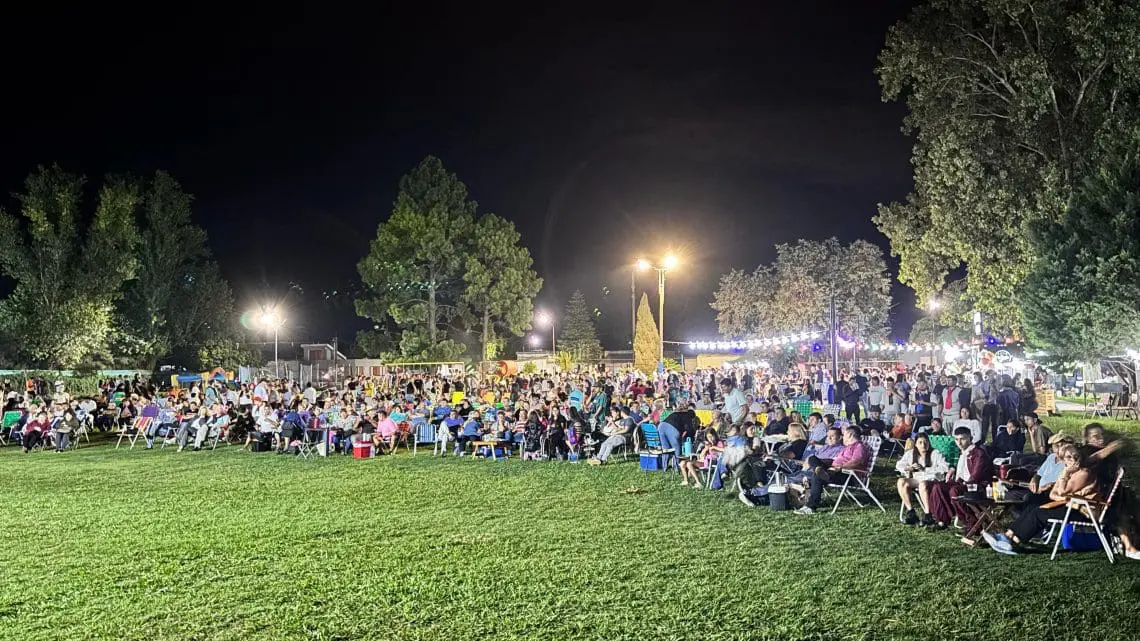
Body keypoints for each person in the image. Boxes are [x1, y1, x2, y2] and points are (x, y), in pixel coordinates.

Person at [983, 443, 1099, 555]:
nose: (1070, 460)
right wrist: (1064, 491)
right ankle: (1007, 536)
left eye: (1073, 457)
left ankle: (1014, 542)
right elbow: (1053, 494)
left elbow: (1062, 491)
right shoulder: (1069, 472)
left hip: (1081, 510)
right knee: (1033, 504)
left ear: (1079, 457)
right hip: (1069, 505)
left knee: (1038, 513)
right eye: (1066, 457)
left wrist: (1065, 475)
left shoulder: (1083, 473)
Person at [925, 426, 993, 533]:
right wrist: (952, 470)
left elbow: (975, 476)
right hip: (962, 483)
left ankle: (972, 523)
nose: (959, 442)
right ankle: (942, 520)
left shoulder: (978, 453)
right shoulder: (962, 452)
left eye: (962, 439)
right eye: (956, 439)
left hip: (979, 486)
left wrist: (959, 483)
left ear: (970, 438)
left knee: (954, 491)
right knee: (938, 487)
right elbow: (961, 470)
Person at [792, 425, 869, 515]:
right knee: (812, 458)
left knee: (818, 476)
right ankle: (819, 469)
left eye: (844, 434)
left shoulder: (859, 446)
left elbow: (856, 461)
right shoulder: (847, 447)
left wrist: (839, 468)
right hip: (833, 470)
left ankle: (811, 506)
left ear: (850, 435)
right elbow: (835, 459)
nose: (843, 436)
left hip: (848, 475)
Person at [896, 433, 948, 525]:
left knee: (922, 484)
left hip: (932, 480)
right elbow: (899, 464)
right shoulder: (911, 453)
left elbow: (944, 468)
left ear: (929, 443)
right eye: (920, 442)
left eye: (925, 442)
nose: (923, 445)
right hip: (917, 479)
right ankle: (911, 512)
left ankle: (928, 515)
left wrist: (925, 469)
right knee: (901, 482)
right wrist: (908, 468)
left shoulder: (935, 453)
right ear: (915, 444)